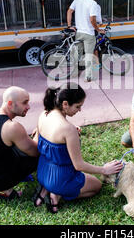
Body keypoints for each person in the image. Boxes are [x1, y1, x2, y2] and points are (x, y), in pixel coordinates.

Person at [33, 83, 122, 213]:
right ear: (65, 104)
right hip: (61, 179)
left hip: (42, 172)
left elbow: (50, 138)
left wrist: (71, 133)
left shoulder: (44, 114)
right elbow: (78, 165)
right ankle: (57, 193)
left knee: (85, 180)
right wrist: (104, 169)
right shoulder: (68, 129)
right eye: (78, 106)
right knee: (96, 186)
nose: (79, 110)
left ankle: (46, 188)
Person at [66, 0, 104, 82]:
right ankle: (88, 77)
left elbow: (69, 11)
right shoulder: (93, 3)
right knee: (88, 55)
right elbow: (92, 20)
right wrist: (98, 29)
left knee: (75, 54)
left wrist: (69, 26)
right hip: (89, 34)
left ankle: (74, 74)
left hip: (79, 32)